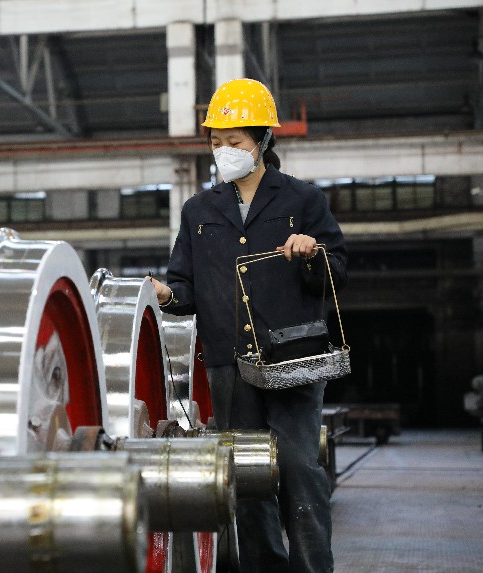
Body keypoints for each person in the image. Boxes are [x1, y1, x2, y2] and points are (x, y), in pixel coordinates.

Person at [149, 78, 348, 573]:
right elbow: (186, 287)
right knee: (247, 480)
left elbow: (336, 271)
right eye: (216, 142)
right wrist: (166, 294)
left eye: (234, 142)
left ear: (261, 141)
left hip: (293, 360)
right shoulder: (199, 210)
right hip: (229, 365)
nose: (223, 151)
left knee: (301, 471)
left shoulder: (302, 201)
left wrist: (309, 254)